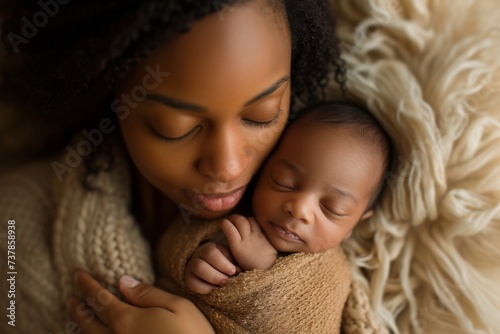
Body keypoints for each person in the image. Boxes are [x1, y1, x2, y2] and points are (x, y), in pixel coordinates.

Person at [0, 0, 348, 333]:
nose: (227, 167)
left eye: (262, 115)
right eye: (175, 127)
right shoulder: (14, 226)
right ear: (108, 90)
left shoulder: (317, 229)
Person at [155, 102, 392, 333]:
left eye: (332, 208)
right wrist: (196, 259)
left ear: (355, 224)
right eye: (283, 181)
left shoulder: (332, 273)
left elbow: (306, 327)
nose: (299, 209)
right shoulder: (229, 211)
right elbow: (166, 246)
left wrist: (264, 268)